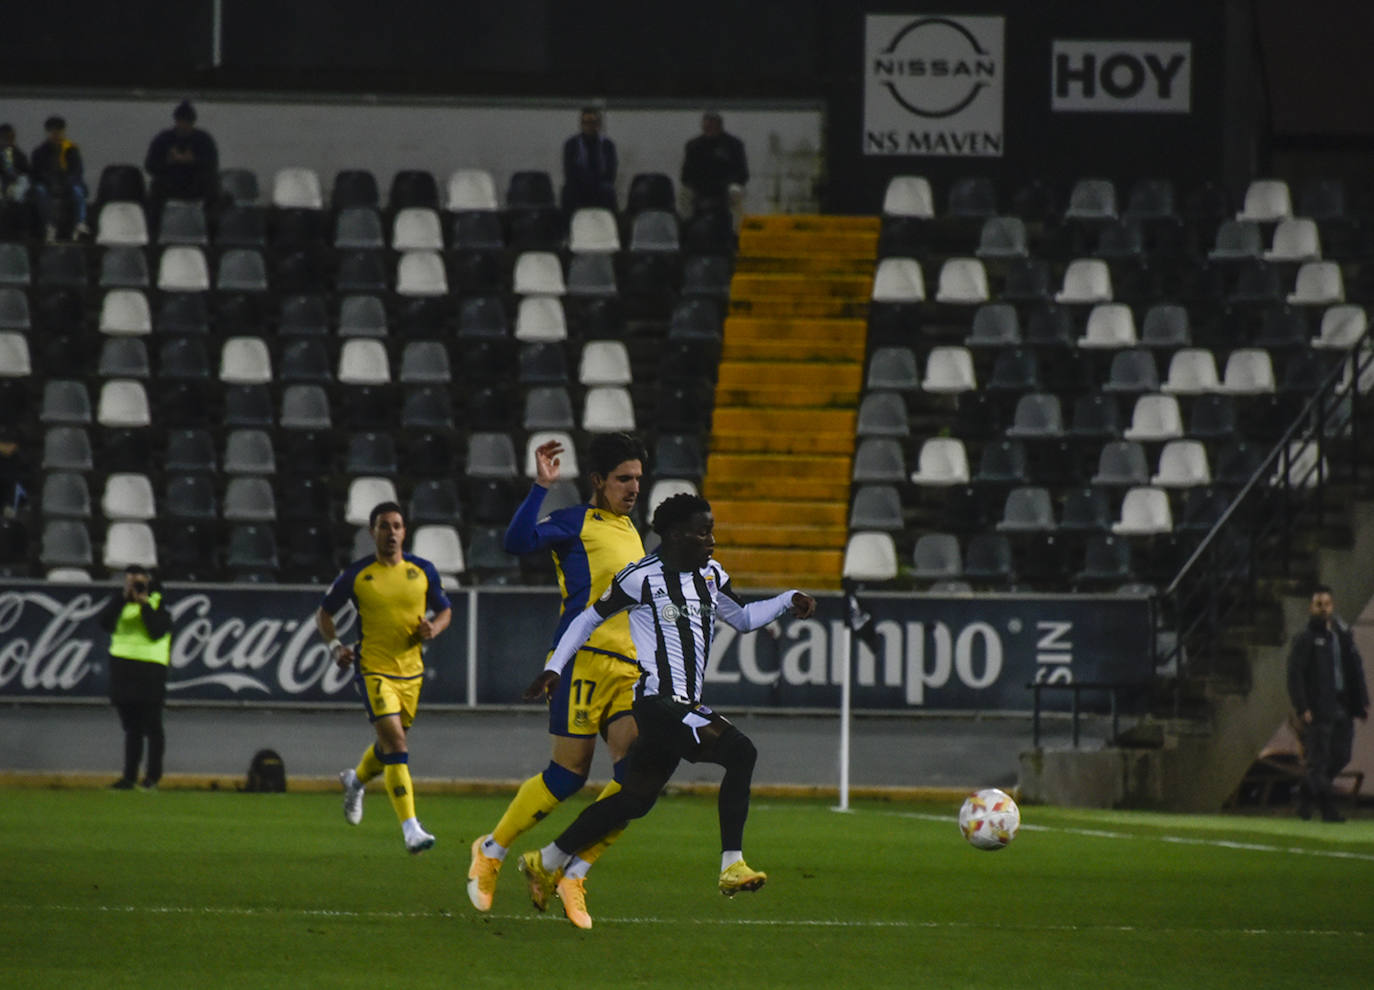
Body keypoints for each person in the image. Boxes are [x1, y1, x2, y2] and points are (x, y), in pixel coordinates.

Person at [517, 493, 817, 927]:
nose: (711, 540)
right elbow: (588, 618)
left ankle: (546, 859)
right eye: (702, 532)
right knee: (741, 752)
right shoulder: (640, 578)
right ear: (675, 535)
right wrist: (554, 666)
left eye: (711, 531)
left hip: (682, 705)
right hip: (658, 702)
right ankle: (732, 864)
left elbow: (744, 618)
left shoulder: (711, 575)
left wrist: (788, 599)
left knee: (634, 800)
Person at [467, 432, 646, 929]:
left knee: (638, 778)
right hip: (581, 662)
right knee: (568, 776)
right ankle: (492, 850)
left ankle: (573, 871)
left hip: (628, 668)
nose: (633, 487)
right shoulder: (573, 523)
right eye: (623, 479)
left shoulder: (633, 531)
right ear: (598, 480)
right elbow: (516, 543)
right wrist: (541, 487)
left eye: (637, 478)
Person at [316, 501, 453, 854]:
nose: (391, 532)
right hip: (373, 670)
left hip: (411, 673)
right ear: (372, 532)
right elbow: (324, 614)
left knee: (389, 745)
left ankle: (355, 781)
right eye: (383, 526)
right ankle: (411, 829)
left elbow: (445, 610)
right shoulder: (357, 575)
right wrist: (334, 647)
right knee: (397, 747)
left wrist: (434, 628)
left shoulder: (423, 571)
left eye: (396, 526)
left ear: (404, 532)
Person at [1286, 584, 1369, 822]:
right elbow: (1295, 675)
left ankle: (1306, 790)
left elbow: (1354, 669)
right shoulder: (1306, 639)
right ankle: (1327, 809)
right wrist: (1303, 707)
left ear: (1333, 606)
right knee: (1319, 760)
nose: (1323, 609)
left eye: (1327, 604)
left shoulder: (1342, 636)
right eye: (1318, 604)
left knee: (1342, 756)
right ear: (1311, 608)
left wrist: (1360, 702)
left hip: (1343, 705)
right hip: (1319, 707)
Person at [99, 565, 173, 790]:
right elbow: (104, 622)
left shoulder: (158, 602)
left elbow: (156, 631)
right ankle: (129, 776)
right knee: (131, 727)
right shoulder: (120, 601)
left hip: (150, 670)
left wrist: (144, 604)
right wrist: (123, 598)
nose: (136, 586)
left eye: (139, 582)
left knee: (152, 726)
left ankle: (152, 776)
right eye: (131, 581)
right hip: (123, 669)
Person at [144, 100, 220, 219]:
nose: (184, 125)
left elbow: (212, 164)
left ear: (193, 122)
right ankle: (154, 227)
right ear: (176, 121)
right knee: (156, 188)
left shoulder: (203, 139)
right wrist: (168, 162)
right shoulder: (164, 139)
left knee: (213, 186)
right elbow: (150, 165)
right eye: (181, 121)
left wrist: (193, 161)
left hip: (196, 184)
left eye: (187, 122)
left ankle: (211, 225)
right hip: (170, 183)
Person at [680, 111, 748, 228]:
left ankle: (736, 230)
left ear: (720, 126)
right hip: (700, 186)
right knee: (684, 194)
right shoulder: (693, 145)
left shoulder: (733, 144)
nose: (710, 128)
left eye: (713, 125)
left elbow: (742, 173)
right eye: (707, 125)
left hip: (727, 186)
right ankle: (686, 228)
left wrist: (727, 183)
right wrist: (698, 185)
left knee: (736, 192)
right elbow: (685, 175)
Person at [30, 115, 88, 242]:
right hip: (47, 184)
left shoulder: (71, 149)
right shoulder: (39, 152)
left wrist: (66, 183)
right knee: (39, 190)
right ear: (47, 133)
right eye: (53, 132)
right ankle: (50, 225)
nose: (56, 135)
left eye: (59, 132)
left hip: (67, 183)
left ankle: (80, 223)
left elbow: (77, 171)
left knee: (78, 190)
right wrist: (50, 183)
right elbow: (36, 173)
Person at [560, 106, 618, 217]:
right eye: (586, 123)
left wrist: (595, 181)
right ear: (581, 124)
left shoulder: (607, 145)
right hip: (578, 185)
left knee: (609, 190)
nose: (589, 126)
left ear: (598, 124)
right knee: (568, 191)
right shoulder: (571, 144)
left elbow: (611, 172)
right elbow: (569, 172)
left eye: (592, 122)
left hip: (600, 185)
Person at [0, 124, 31, 205]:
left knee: (24, 181)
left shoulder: (19, 154)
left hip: (16, 183)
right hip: (3, 181)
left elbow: (26, 173)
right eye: (6, 138)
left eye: (11, 138)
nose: (9, 141)